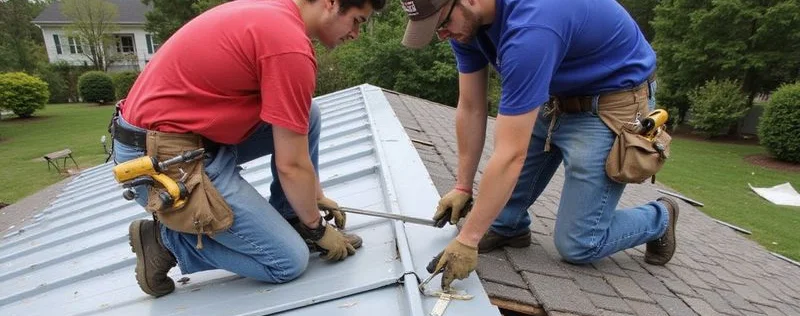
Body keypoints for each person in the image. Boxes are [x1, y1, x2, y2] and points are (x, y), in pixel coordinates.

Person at [111, 0, 384, 298]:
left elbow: (295, 137)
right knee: (287, 262)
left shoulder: (276, 14)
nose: (356, 33)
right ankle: (166, 243)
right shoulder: (289, 48)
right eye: (357, 20)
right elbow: (291, 165)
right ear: (331, 3)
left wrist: (313, 198)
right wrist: (318, 227)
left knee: (308, 115)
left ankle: (292, 216)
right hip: (160, 161)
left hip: (185, 138)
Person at [400, 0, 680, 289]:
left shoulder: (532, 26)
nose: (442, 35)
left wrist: (468, 240)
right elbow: (471, 107)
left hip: (610, 102)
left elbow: (512, 154)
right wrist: (463, 186)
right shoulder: (467, 23)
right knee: (494, 218)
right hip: (553, 95)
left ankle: (659, 217)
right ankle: (511, 228)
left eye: (443, 24)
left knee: (580, 244)